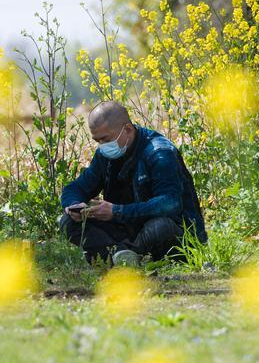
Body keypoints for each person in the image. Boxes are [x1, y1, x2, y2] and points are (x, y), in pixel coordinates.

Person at [59, 101, 206, 266]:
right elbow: (76, 187)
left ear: (127, 129)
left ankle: (121, 258)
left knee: (159, 227)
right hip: (128, 230)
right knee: (67, 222)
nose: (101, 146)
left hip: (172, 233)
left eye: (105, 139)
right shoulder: (104, 154)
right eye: (97, 140)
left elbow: (170, 204)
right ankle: (123, 257)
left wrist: (117, 212)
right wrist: (73, 205)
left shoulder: (159, 153)